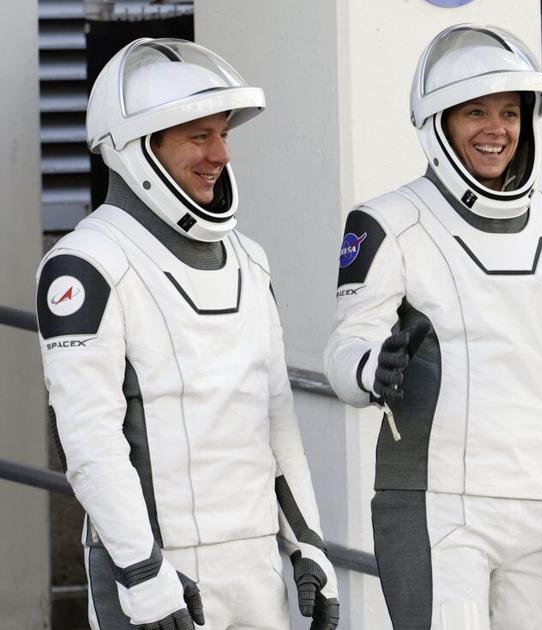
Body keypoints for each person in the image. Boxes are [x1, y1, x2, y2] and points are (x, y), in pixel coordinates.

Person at [323, 24, 542, 629]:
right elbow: (344, 347)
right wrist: (370, 368)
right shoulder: (388, 222)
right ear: (438, 123)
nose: (497, 129)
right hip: (437, 508)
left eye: (510, 113)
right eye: (476, 112)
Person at [36, 38, 339, 630]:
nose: (220, 154)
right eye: (199, 136)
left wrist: (309, 545)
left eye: (223, 133)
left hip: (257, 568)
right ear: (137, 148)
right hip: (159, 575)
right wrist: (143, 574)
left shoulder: (250, 259)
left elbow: (277, 422)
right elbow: (89, 442)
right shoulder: (86, 263)